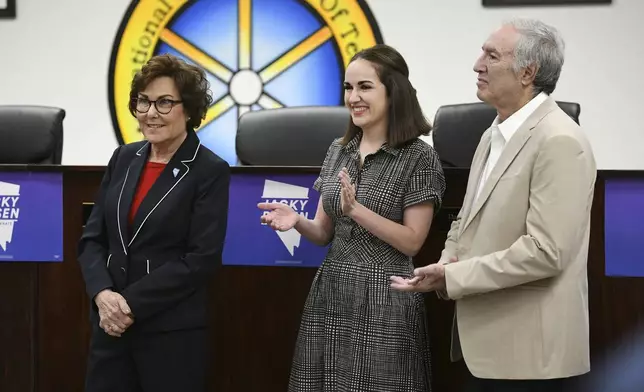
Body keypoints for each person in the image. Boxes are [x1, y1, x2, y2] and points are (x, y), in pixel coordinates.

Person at [390, 18, 596, 392]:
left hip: (532, 359)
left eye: (492, 55)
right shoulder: (491, 135)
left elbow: (546, 251)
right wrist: (447, 260)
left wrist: (454, 278)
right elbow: (466, 220)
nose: (477, 64)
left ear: (527, 73)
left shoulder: (561, 140)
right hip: (487, 348)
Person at [258, 44, 445, 391]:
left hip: (386, 297)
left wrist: (357, 210)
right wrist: (296, 220)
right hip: (331, 293)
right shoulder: (338, 149)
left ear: (394, 92)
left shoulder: (420, 157)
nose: (353, 97)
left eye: (365, 87)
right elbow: (323, 232)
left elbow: (413, 241)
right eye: (348, 87)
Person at [77, 53, 230, 392]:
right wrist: (103, 295)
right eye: (143, 102)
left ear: (188, 110)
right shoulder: (123, 158)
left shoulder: (208, 170)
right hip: (110, 328)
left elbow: (200, 259)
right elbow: (92, 239)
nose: (150, 113)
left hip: (169, 333)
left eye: (164, 103)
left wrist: (129, 304)